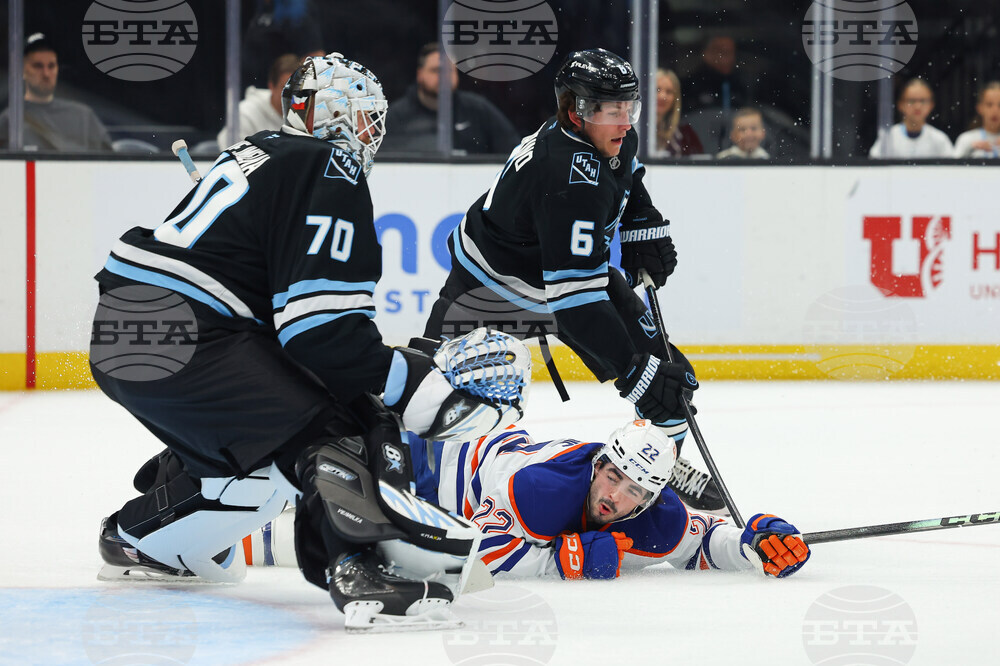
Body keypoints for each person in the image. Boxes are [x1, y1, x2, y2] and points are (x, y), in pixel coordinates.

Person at [90, 53, 530, 632]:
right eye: (367, 119)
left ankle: (143, 537)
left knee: (263, 466)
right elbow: (320, 334)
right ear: (336, 118)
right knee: (335, 426)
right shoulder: (331, 167)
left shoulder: (262, 154)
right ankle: (358, 566)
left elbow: (284, 331)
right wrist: (411, 389)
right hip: (197, 334)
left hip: (127, 331)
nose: (373, 135)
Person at [421, 48, 728, 514]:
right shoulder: (566, 173)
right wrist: (634, 373)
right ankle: (383, 469)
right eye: (612, 111)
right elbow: (577, 307)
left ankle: (654, 474)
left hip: (569, 280)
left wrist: (642, 222)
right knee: (427, 396)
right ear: (574, 110)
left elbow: (627, 180)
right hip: (489, 289)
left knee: (672, 384)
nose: (625, 123)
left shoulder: (611, 137)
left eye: (630, 107)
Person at [249, 419, 811, 580]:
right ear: (599, 464)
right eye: (613, 476)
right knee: (345, 524)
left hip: (448, 478)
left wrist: (756, 544)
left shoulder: (658, 518)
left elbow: (703, 541)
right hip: (427, 462)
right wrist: (566, 561)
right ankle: (223, 532)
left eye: (635, 490)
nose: (615, 496)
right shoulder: (539, 489)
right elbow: (481, 553)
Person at [379, 42, 520, 154]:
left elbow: (513, 148)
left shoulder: (478, 110)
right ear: (420, 74)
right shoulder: (397, 116)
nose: (444, 77)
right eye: (436, 70)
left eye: (449, 71)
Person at [0, 32, 112, 152]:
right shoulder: (10, 120)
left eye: (51, 66)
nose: (46, 74)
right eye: (38, 66)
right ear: (22, 70)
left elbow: (110, 164)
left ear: (57, 69)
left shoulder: (84, 117)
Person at [217, 53, 301, 150]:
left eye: (298, 89)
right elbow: (231, 155)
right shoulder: (245, 114)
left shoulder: (310, 115)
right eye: (286, 89)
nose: (292, 96)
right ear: (271, 86)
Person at [869, 78, 953, 159]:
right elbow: (874, 164)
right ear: (900, 104)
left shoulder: (940, 140)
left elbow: (952, 169)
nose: (917, 106)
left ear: (931, 105)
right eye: (912, 101)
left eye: (923, 101)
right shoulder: (889, 138)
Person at [683, 36, 748, 114]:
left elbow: (749, 114)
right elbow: (681, 121)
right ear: (707, 54)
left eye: (730, 52)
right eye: (722, 52)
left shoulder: (740, 83)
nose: (728, 58)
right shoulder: (691, 85)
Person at [655, 68, 703, 156]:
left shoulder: (685, 135)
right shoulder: (628, 130)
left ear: (675, 99)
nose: (662, 96)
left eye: (669, 92)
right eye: (657, 90)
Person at [953, 81, 1000, 158]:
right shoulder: (966, 139)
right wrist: (971, 149)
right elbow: (952, 167)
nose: (995, 110)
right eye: (989, 104)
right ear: (980, 108)